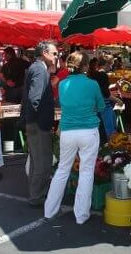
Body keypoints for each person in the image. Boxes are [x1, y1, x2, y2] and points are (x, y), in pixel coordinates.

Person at [44, 52, 105, 224]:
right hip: (88, 131)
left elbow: (64, 105)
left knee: (62, 170)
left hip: (68, 131)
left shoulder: (63, 84)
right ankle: (81, 215)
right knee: (86, 173)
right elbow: (100, 106)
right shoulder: (92, 84)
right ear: (85, 66)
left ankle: (49, 210)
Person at [20, 41, 57, 207]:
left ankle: (35, 194)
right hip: (38, 123)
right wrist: (40, 122)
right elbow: (34, 98)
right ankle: (37, 196)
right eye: (54, 53)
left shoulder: (39, 68)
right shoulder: (39, 69)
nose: (56, 56)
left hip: (34, 122)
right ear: (44, 53)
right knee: (43, 162)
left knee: (37, 161)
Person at [88, 57, 123, 139]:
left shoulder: (94, 74)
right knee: (110, 131)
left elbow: (102, 88)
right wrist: (118, 100)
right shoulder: (103, 75)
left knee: (99, 131)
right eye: (110, 65)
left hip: (95, 106)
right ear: (106, 65)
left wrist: (114, 85)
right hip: (105, 107)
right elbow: (105, 93)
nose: (111, 67)